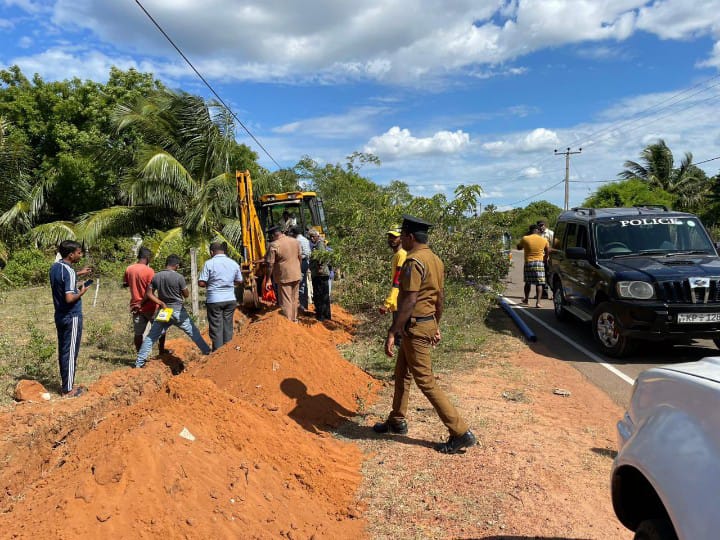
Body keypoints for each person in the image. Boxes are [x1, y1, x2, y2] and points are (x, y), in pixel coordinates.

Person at [373, 215, 476, 454]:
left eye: (402, 237)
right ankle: (397, 420)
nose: (400, 241)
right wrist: (434, 324)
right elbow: (439, 298)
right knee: (402, 374)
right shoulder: (435, 260)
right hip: (424, 323)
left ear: (409, 237)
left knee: (425, 381)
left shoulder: (414, 261)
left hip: (414, 327)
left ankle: (460, 432)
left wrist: (392, 331)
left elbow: (408, 300)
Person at [135, 255, 210, 368]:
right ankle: (208, 354)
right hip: (178, 311)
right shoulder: (179, 277)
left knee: (151, 337)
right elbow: (186, 295)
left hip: (164, 310)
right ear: (176, 265)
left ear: (167, 263)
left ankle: (139, 363)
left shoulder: (157, 276)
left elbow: (149, 294)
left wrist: (160, 303)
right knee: (193, 333)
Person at [49, 240, 92, 397]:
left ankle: (66, 384)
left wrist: (78, 274)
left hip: (59, 315)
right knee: (71, 352)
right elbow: (69, 298)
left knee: (64, 350)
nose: (80, 255)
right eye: (79, 253)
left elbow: (64, 281)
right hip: (71, 315)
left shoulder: (55, 267)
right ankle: (68, 389)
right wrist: (82, 291)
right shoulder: (69, 271)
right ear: (71, 254)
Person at [198, 242, 243, 351]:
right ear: (224, 251)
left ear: (211, 252)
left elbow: (201, 283)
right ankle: (227, 354)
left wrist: (212, 284)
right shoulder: (233, 263)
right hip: (230, 299)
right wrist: (230, 284)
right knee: (228, 326)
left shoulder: (209, 263)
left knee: (216, 327)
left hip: (214, 299)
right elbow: (239, 280)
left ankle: (218, 353)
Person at [123, 247, 168, 355]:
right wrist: (141, 303)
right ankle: (161, 351)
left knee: (138, 333)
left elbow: (125, 284)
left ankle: (140, 357)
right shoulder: (149, 271)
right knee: (162, 328)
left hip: (135, 307)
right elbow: (150, 292)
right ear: (147, 258)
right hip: (150, 307)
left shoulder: (129, 269)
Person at [265, 226, 302, 322]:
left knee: (286, 300)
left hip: (284, 276)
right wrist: (297, 268)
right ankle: (294, 319)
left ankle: (288, 323)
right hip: (296, 274)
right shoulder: (295, 241)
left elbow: (270, 264)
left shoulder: (274, 245)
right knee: (294, 298)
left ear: (273, 235)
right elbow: (300, 257)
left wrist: (268, 279)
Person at [379, 225, 407, 342]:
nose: (391, 239)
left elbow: (397, 281)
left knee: (400, 334)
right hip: (398, 300)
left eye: (394, 237)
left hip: (401, 300)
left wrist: (388, 303)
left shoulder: (401, 255)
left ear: (401, 238)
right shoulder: (397, 255)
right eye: (390, 236)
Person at [517, 224, 550, 308]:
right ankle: (538, 303)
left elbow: (519, 247)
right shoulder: (544, 239)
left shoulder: (525, 238)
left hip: (529, 262)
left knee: (528, 282)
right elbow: (547, 251)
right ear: (538, 231)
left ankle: (526, 300)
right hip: (539, 262)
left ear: (530, 230)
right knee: (539, 283)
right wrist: (544, 259)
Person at [308, 229, 332, 321]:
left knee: (321, 295)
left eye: (312, 236)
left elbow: (321, 257)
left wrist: (319, 268)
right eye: (310, 237)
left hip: (320, 274)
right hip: (319, 274)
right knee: (321, 295)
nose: (311, 239)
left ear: (316, 236)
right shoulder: (317, 244)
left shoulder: (319, 244)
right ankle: (324, 315)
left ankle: (322, 316)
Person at [290, 227, 311, 312]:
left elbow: (304, 254)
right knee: (303, 284)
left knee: (301, 284)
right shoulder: (305, 239)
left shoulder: (298, 241)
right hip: (305, 263)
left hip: (301, 263)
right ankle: (304, 304)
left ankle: (302, 306)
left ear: (294, 233)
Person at [537, 220, 554, 299]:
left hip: (548, 258)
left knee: (549, 275)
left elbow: (555, 244)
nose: (541, 227)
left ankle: (555, 294)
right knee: (541, 276)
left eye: (542, 225)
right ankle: (544, 294)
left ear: (545, 225)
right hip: (540, 258)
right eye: (539, 225)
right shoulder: (537, 234)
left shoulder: (550, 233)